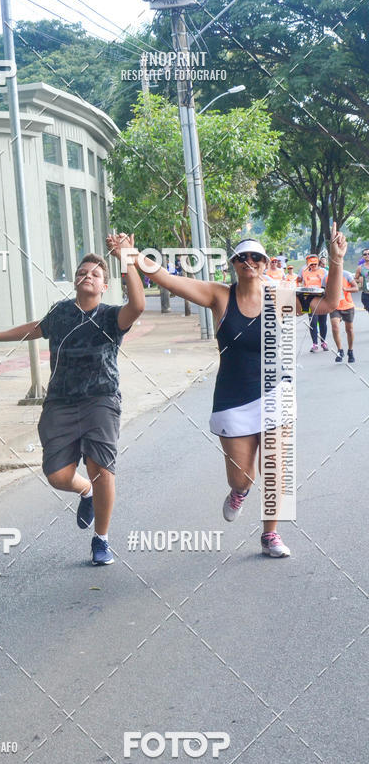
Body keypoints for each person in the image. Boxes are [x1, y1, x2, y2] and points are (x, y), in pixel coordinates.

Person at [111, 228, 346, 558]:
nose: (249, 261)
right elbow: (165, 278)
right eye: (242, 257)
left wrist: (336, 260)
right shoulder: (218, 295)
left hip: (276, 393)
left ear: (265, 264)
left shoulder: (282, 297)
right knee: (242, 476)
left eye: (256, 257)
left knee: (276, 471)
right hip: (233, 400)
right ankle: (240, 491)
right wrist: (129, 255)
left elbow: (331, 302)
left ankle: (270, 535)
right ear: (234, 264)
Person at [0, 246, 144, 566]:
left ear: (103, 286)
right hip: (61, 402)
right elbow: (35, 329)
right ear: (75, 281)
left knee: (100, 468)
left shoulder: (110, 316)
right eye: (83, 272)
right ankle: (86, 493)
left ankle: (102, 539)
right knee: (57, 475)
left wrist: (128, 259)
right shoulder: (61, 312)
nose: (88, 276)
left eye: (95, 274)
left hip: (101, 400)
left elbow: (136, 306)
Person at [324, 265, 358, 362]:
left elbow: (355, 288)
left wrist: (346, 289)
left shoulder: (346, 274)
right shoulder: (326, 277)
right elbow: (323, 290)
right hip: (334, 307)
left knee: (349, 330)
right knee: (335, 327)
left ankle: (350, 351)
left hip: (347, 306)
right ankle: (340, 350)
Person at [297, 254, 328, 352]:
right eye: (311, 264)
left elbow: (329, 283)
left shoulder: (323, 271)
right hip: (309, 299)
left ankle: (323, 342)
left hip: (322, 298)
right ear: (308, 264)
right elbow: (299, 280)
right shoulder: (304, 271)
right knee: (313, 322)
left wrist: (321, 279)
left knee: (322, 322)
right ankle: (314, 344)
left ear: (318, 263)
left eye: (315, 264)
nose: (313, 266)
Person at [355, 248, 369, 314]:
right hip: (366, 295)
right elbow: (355, 279)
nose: (367, 255)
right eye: (365, 254)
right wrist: (359, 280)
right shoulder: (360, 268)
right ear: (363, 256)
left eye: (368, 254)